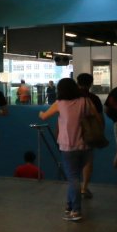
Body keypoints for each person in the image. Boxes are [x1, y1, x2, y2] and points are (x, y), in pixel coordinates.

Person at [38, 77, 94, 222]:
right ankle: (69, 207)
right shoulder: (85, 101)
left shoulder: (60, 104)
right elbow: (95, 118)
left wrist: (40, 114)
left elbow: (44, 117)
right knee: (74, 177)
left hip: (68, 146)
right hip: (86, 145)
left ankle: (76, 211)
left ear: (60, 90)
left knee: (73, 178)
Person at [76, 73, 104, 198]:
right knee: (88, 159)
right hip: (89, 132)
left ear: (77, 82)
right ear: (91, 83)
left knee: (72, 159)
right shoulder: (94, 98)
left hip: (72, 131)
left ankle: (73, 185)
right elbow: (100, 117)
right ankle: (84, 187)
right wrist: (101, 131)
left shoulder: (70, 97)